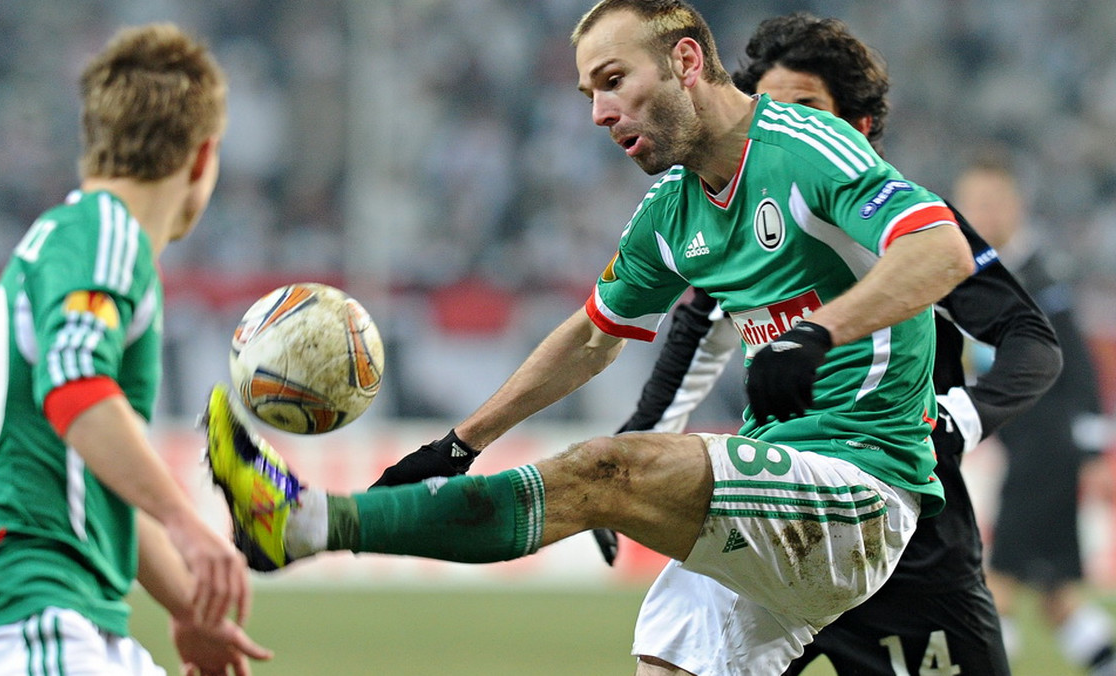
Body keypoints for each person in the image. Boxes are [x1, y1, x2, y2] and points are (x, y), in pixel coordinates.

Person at [204, 1, 976, 673]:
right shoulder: (672, 212)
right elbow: (592, 336)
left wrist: (818, 334)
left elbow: (941, 248)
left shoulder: (804, 145)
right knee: (666, 666)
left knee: (608, 472)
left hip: (861, 482)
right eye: (587, 94)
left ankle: (308, 522)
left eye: (613, 82)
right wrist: (461, 443)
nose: (600, 114)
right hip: (785, 487)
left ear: (684, 61)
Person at [594, 14, 1064, 676]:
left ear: (860, 126)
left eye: (807, 107)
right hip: (788, 520)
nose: (785, 126)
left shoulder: (915, 231)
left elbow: (1031, 342)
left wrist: (959, 418)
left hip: (908, 530)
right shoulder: (740, 233)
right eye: (772, 109)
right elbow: (690, 345)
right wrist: (629, 457)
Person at [0, 24, 271, 676]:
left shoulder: (78, 243)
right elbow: (76, 389)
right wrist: (186, 523)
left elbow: (99, 469)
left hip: (49, 615)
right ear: (203, 157)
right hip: (30, 606)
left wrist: (191, 610)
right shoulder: (104, 235)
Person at [954, 152, 1116, 675]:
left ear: (1016, 207)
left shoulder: (1041, 278)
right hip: (1029, 448)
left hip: (1046, 449)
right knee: (1056, 596)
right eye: (974, 202)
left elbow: (1082, 371)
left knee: (994, 584)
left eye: (994, 202)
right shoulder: (973, 274)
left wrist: (1089, 448)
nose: (983, 212)